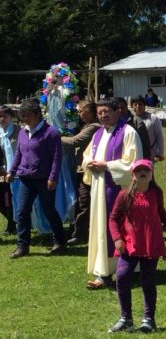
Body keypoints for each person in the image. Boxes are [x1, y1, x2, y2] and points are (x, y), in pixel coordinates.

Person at [107, 159, 166, 333]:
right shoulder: (124, 195)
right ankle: (126, 318)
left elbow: (160, 211)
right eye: (138, 171)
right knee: (122, 276)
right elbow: (113, 219)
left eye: (145, 170)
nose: (142, 173)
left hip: (150, 242)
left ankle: (149, 319)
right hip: (130, 244)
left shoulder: (156, 193)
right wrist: (117, 239)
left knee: (148, 280)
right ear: (132, 175)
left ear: (152, 174)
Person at [83, 99, 143, 288]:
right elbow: (87, 157)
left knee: (120, 228)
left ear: (118, 111)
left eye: (106, 111)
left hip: (119, 189)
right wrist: (90, 164)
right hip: (100, 187)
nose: (103, 115)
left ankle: (127, 269)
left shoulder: (128, 132)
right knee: (101, 229)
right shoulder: (98, 134)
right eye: (99, 112)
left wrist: (107, 166)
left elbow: (134, 163)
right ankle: (104, 271)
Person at [6, 99, 68, 257]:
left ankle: (60, 242)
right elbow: (19, 154)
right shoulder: (23, 132)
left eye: (27, 116)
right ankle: (23, 246)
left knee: (49, 211)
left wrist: (53, 177)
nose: (24, 119)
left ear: (37, 114)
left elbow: (56, 157)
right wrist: (11, 172)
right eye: (22, 116)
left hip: (44, 179)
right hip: (25, 178)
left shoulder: (51, 132)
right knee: (21, 212)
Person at [61, 101, 100, 244]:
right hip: (80, 169)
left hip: (87, 170)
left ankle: (80, 234)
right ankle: (77, 230)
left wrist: (58, 137)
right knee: (80, 201)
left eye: (81, 111)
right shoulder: (86, 126)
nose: (79, 114)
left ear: (90, 112)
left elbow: (75, 141)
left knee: (84, 202)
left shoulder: (94, 127)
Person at [0, 105, 21, 235]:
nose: (2, 119)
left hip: (18, 170)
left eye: (5, 116)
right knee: (3, 199)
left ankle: (14, 224)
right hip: (2, 170)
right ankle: (12, 222)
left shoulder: (19, 131)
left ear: (11, 117)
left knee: (14, 198)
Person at [131, 95, 164, 161]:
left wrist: (159, 153)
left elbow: (160, 136)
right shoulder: (130, 120)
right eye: (135, 105)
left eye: (140, 104)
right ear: (132, 106)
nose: (138, 106)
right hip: (134, 154)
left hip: (150, 153)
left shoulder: (152, 118)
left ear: (144, 106)